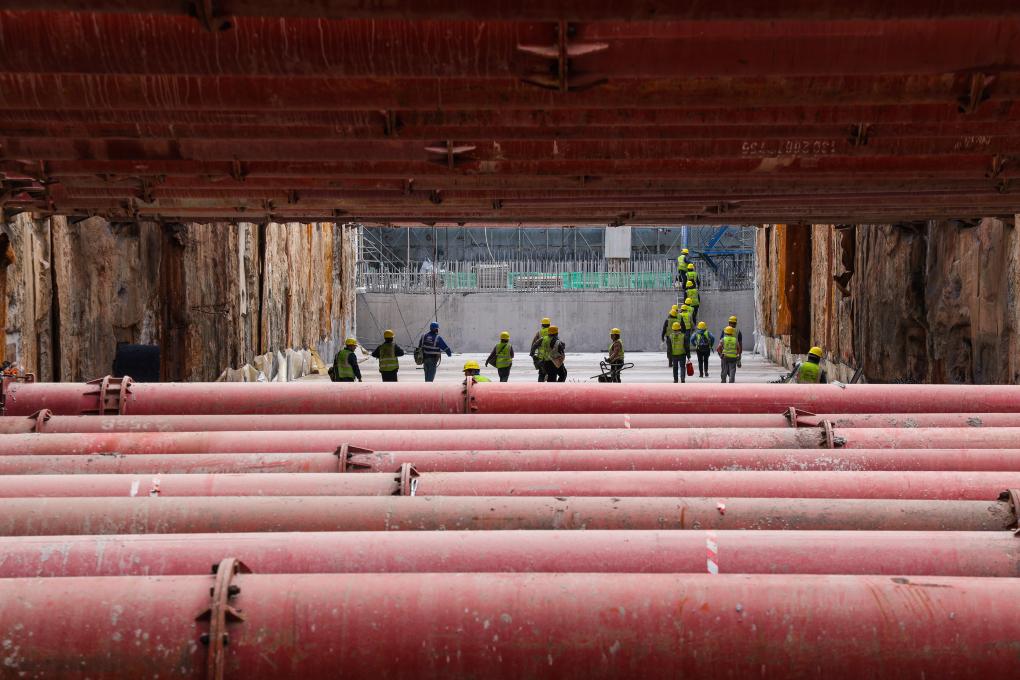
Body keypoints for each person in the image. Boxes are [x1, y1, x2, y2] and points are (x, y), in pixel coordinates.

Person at [530, 317, 552, 382]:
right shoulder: (552, 332)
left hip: (541, 357)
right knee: (552, 373)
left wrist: (532, 354)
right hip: (551, 357)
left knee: (541, 374)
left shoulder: (539, 333)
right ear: (549, 324)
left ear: (542, 325)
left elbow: (534, 344)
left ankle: (540, 389)